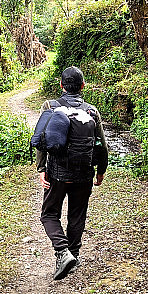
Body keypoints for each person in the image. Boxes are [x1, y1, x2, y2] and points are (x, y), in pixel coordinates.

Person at [35, 66, 108, 280]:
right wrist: (101, 170)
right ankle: (73, 255)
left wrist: (41, 168)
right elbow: (102, 145)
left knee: (49, 214)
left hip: (57, 173)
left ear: (61, 85)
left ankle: (62, 251)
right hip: (84, 174)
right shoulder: (92, 111)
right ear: (83, 86)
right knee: (77, 214)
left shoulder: (50, 106)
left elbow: (43, 139)